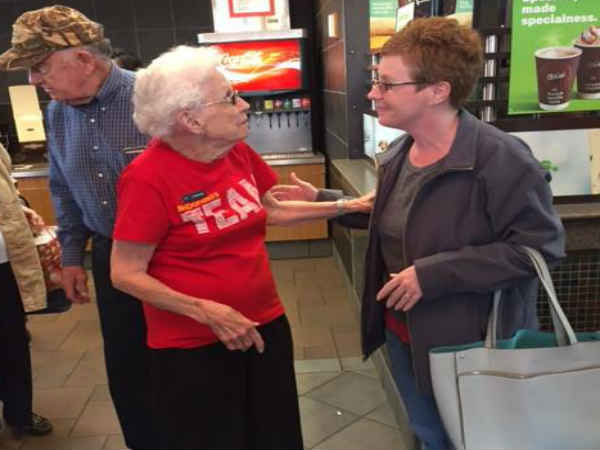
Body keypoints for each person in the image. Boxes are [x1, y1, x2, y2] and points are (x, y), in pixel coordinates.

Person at [271, 17, 565, 450]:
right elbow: (398, 218)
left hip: (474, 341)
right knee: (429, 434)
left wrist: (432, 274)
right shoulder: (400, 153)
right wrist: (325, 199)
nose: (373, 94)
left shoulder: (500, 158)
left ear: (437, 91)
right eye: (376, 81)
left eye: (387, 84)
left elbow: (540, 248)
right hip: (404, 333)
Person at [109, 45, 372, 450]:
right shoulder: (146, 178)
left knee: (277, 432)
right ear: (191, 119)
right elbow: (125, 273)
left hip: (264, 320)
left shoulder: (236, 153)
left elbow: (271, 209)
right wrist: (205, 311)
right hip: (194, 344)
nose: (244, 105)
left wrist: (345, 207)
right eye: (230, 97)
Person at [0, 6, 153, 449]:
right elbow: (63, 189)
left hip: (171, 256)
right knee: (127, 368)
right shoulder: (58, 114)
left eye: (40, 67)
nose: (34, 80)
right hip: (110, 256)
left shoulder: (154, 99)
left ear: (83, 59)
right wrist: (71, 258)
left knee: (184, 363)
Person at [0, 143, 53, 438]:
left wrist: (19, 208)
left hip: (6, 263)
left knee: (14, 340)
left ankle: (20, 413)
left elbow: (6, 185)